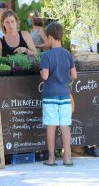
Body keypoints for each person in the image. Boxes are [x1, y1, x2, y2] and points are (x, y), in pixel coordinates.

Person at [40, 22, 77, 166]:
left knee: (51, 126)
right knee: (65, 127)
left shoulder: (46, 55)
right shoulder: (68, 54)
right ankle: (67, 158)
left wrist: (41, 70)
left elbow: (45, 76)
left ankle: (51, 158)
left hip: (50, 95)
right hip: (65, 95)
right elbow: (74, 75)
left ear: (50, 37)